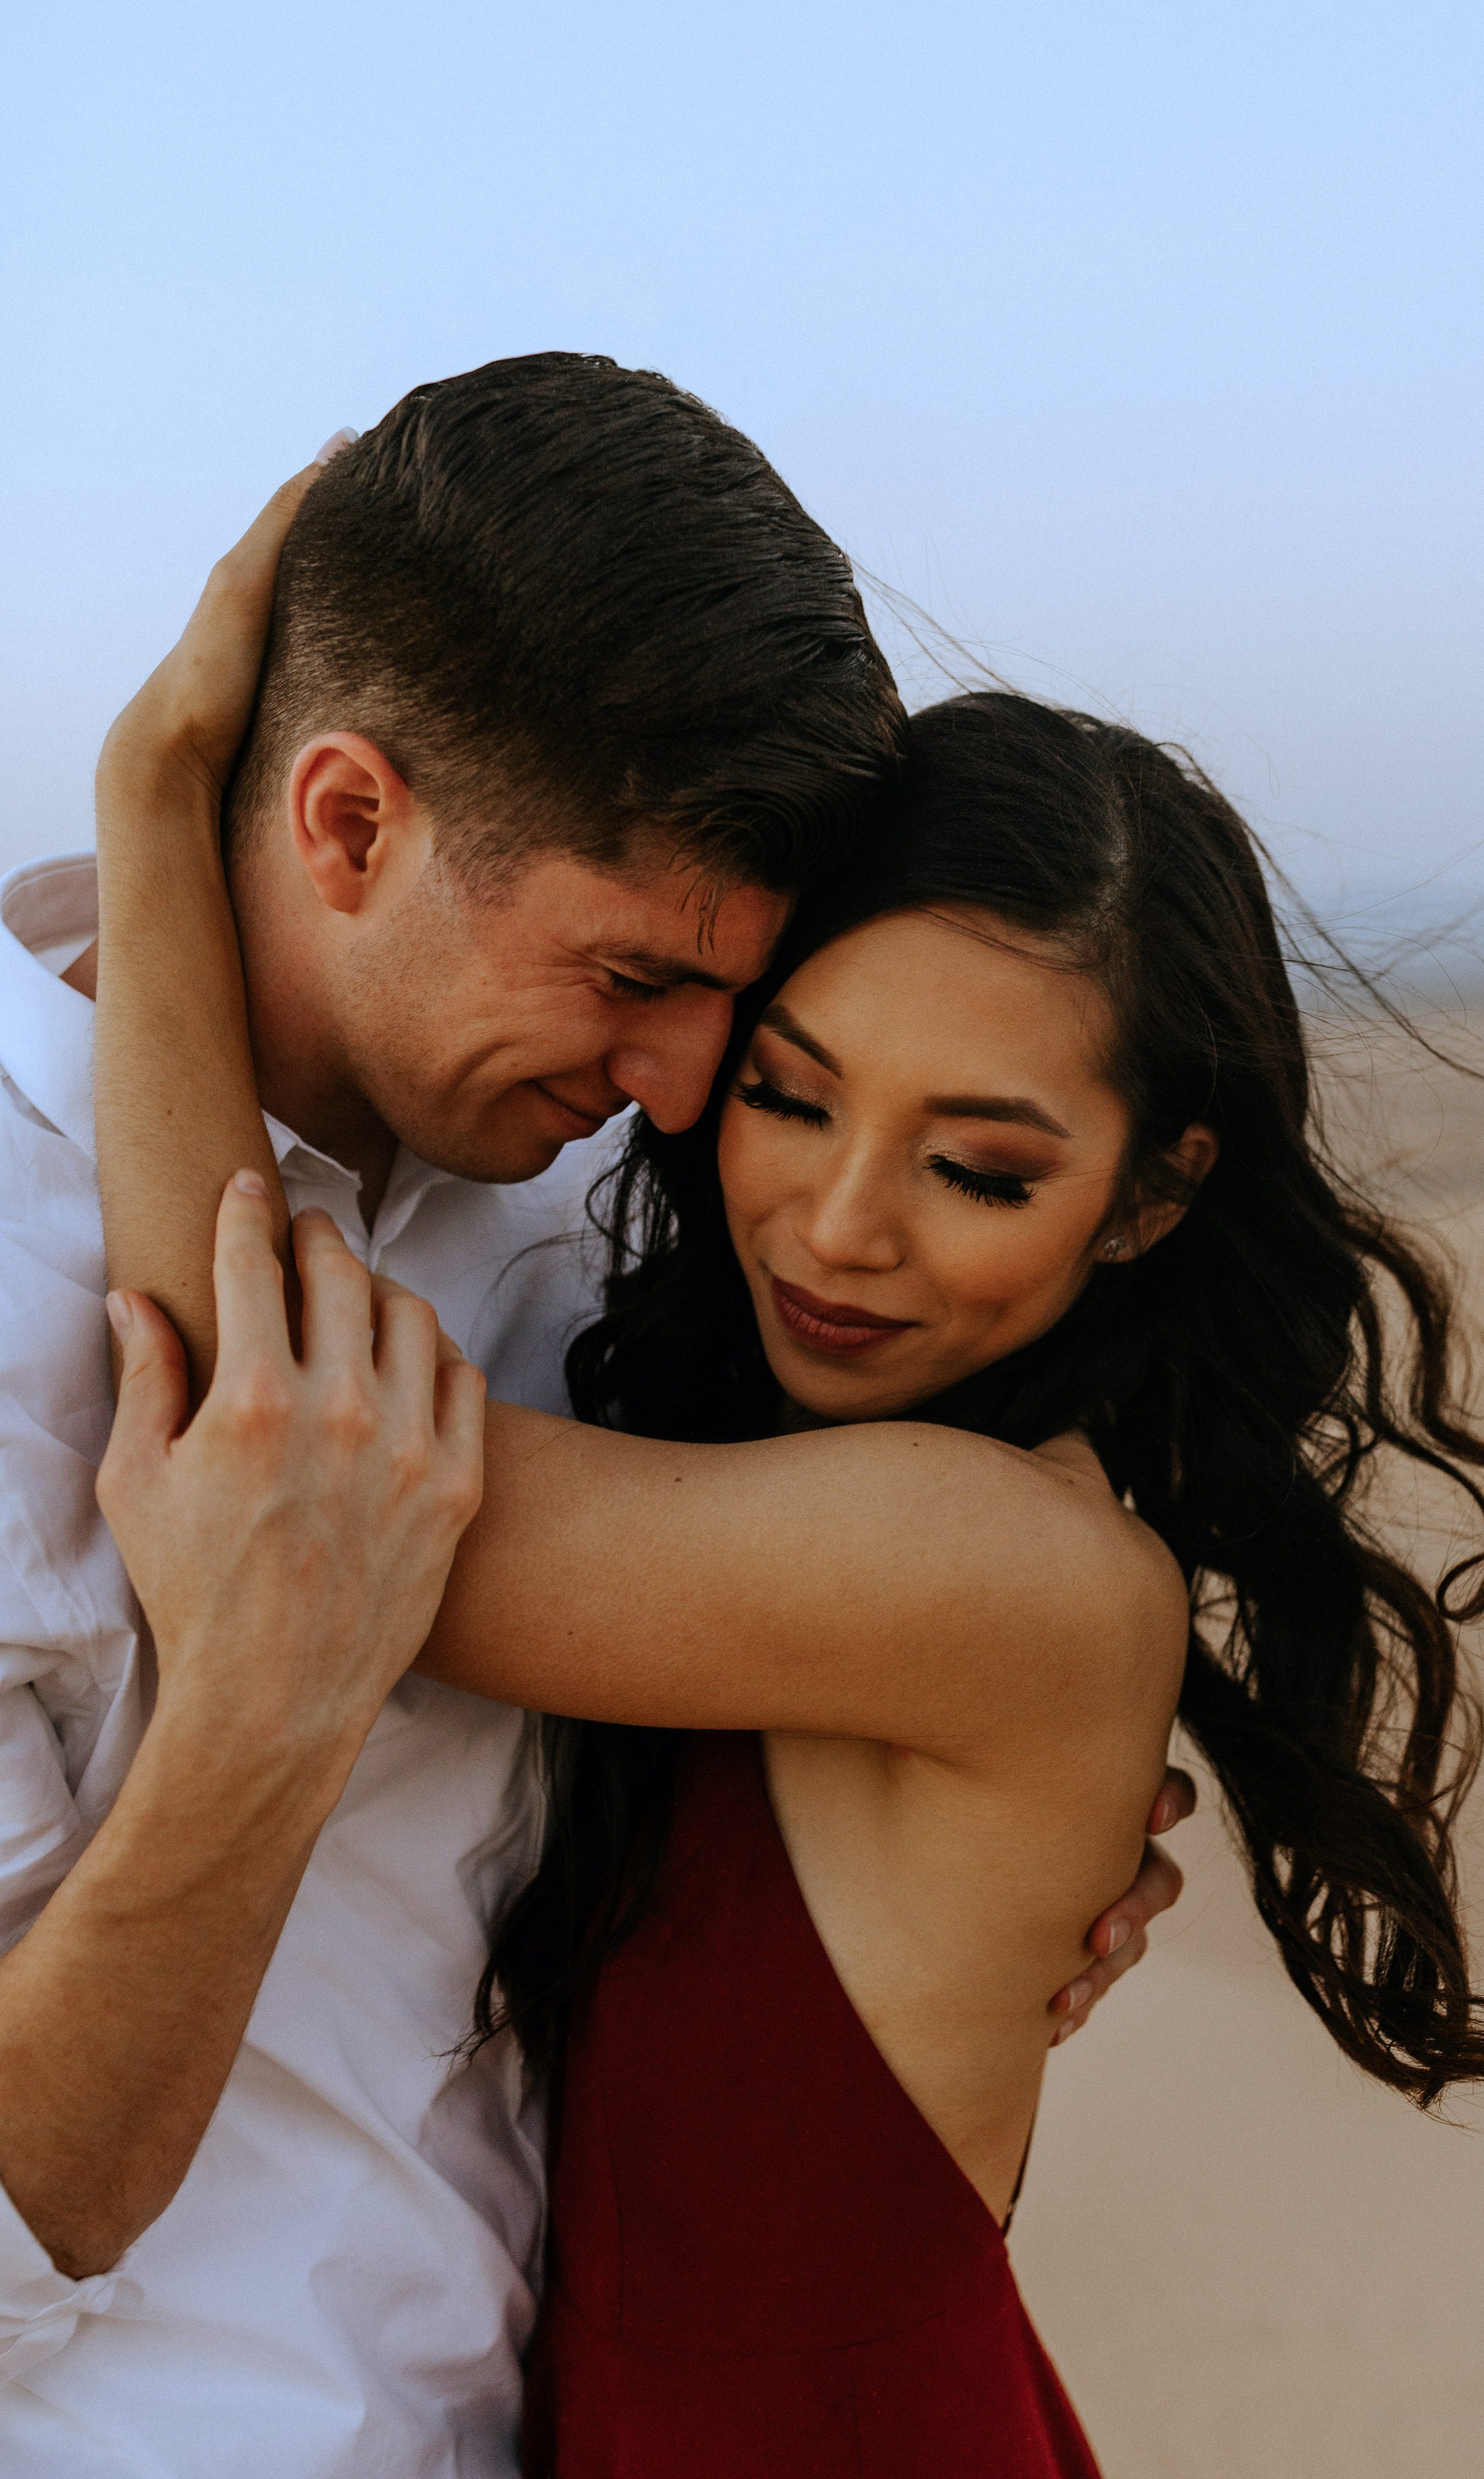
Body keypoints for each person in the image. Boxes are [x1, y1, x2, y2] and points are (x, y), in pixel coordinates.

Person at [91, 630, 1484, 2459]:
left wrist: (158, 797)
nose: (834, 1225)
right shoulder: (763, 1468)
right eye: (790, 1092)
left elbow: (284, 1439)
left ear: (1150, 1198)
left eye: (978, 1169)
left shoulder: (1003, 1570)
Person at [0, 371, 1182, 2477]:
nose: (688, 1097)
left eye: (738, 1016)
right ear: (348, 821)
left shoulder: (568, 1201)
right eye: (636, 980)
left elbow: (280, 1405)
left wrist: (973, 1847)